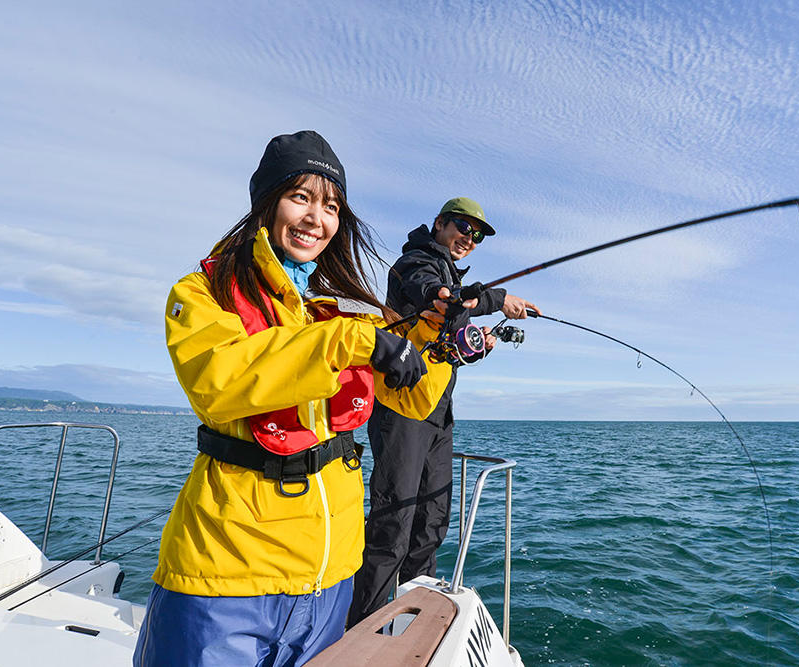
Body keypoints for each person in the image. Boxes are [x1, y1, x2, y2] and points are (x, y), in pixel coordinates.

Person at [133, 130, 462, 667]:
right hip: (227, 572)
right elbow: (219, 383)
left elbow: (411, 403)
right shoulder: (200, 292)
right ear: (267, 202)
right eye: (301, 197)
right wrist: (354, 340)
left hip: (331, 579)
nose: (317, 218)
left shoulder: (344, 310)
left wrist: (436, 341)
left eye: (331, 206)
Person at [348, 197, 540, 626]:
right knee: (392, 524)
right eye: (462, 228)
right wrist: (499, 298)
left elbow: (447, 344)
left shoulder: (449, 274)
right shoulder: (416, 261)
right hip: (401, 410)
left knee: (432, 522)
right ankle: (366, 630)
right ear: (439, 224)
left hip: (437, 412)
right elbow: (430, 292)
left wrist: (479, 344)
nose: (468, 239)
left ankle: (412, 617)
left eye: (476, 236)